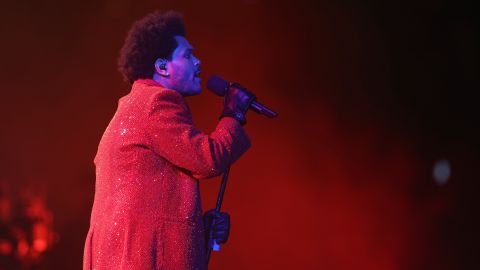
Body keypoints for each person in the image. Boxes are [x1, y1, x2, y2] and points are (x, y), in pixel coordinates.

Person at [83, 11, 255, 270]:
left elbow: (147, 212)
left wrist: (201, 229)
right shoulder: (156, 103)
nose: (198, 62)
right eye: (188, 55)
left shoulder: (134, 106)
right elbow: (207, 159)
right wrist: (233, 114)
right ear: (161, 66)